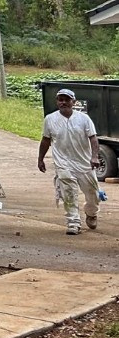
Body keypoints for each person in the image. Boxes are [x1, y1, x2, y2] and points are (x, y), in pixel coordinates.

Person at [38, 88, 101, 235]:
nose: (63, 102)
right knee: (69, 193)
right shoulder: (50, 119)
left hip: (84, 163)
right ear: (57, 101)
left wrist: (94, 156)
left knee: (93, 193)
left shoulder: (84, 119)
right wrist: (40, 159)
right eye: (60, 99)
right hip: (63, 164)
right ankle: (73, 223)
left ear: (74, 102)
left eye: (67, 100)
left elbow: (93, 138)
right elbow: (46, 140)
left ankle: (91, 213)